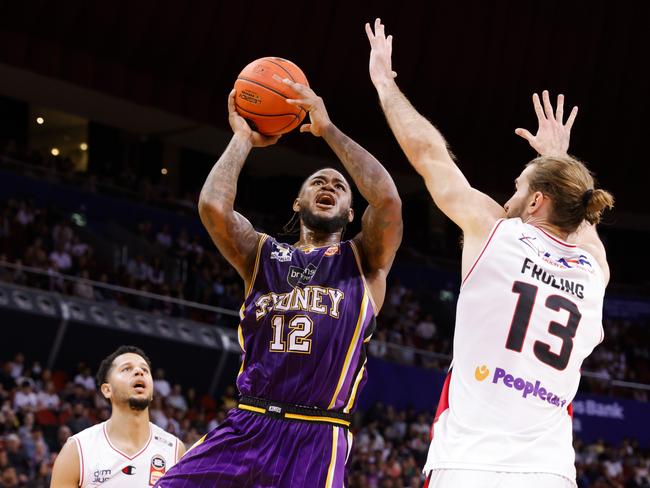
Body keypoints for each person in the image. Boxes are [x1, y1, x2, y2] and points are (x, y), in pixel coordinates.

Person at [366, 18, 614, 488]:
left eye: (520, 188)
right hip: (549, 473)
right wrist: (557, 163)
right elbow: (585, 227)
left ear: (538, 201)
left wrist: (384, 84)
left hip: (468, 465)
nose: (509, 198)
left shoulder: (496, 231)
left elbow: (428, 155)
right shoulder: (593, 272)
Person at [157, 80, 402, 487]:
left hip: (317, 434)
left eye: (339, 187)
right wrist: (242, 139)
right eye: (318, 182)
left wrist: (328, 131)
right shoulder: (262, 255)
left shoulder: (365, 261)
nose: (329, 186)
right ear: (297, 202)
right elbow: (213, 207)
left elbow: (388, 201)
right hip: (247, 423)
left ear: (350, 212)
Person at [50, 346, 185, 487]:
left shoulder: (175, 450)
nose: (139, 372)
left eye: (145, 370)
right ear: (107, 390)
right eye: (126, 369)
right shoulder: (77, 450)